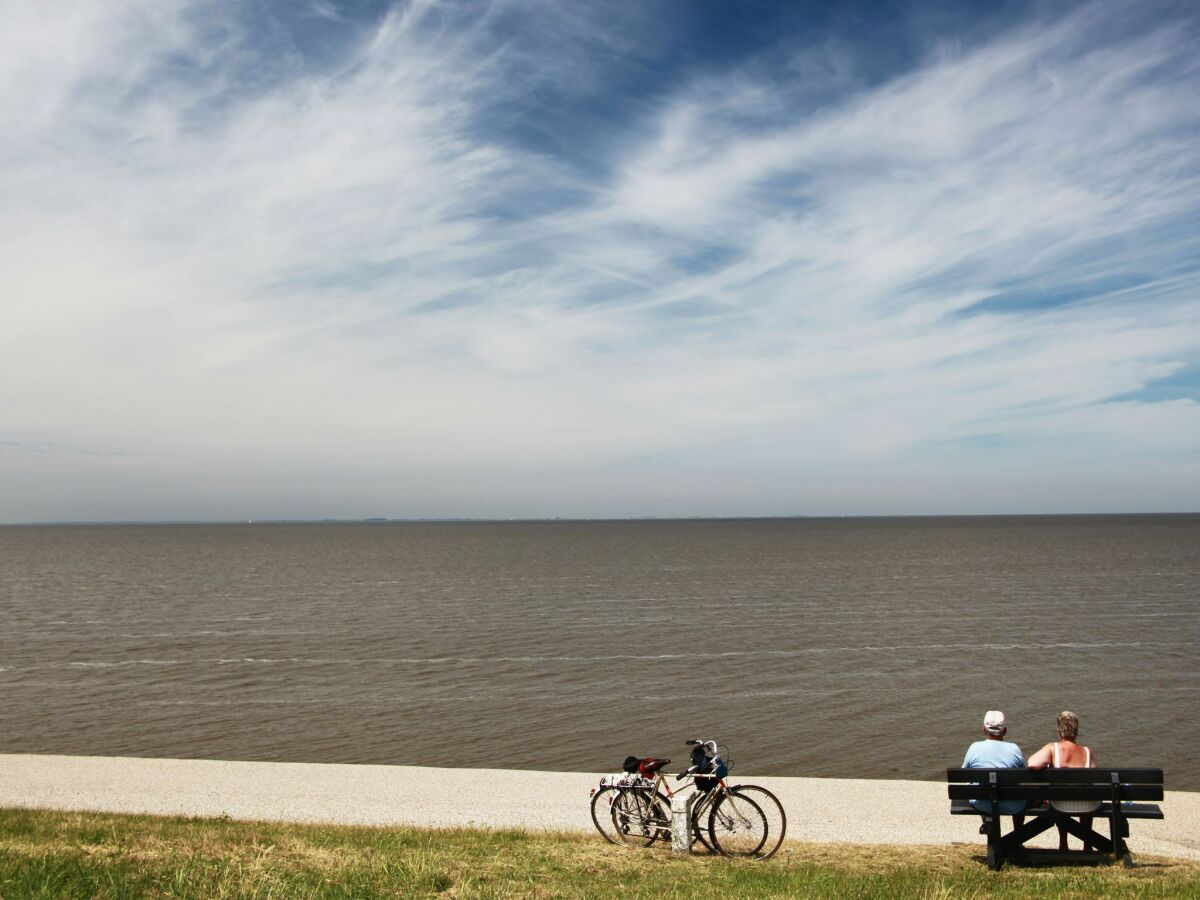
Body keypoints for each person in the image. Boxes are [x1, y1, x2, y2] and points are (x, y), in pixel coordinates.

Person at [1028, 710, 1099, 851]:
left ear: (1059, 729)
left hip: (1060, 804)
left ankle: (1063, 844)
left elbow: (1032, 763)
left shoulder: (1053, 748)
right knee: (1085, 794)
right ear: (1076, 730)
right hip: (1086, 805)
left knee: (1061, 794)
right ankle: (1088, 844)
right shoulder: (1087, 752)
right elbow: (1094, 776)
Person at [963, 710, 1026, 831]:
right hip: (1012, 805)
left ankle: (988, 823)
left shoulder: (974, 747)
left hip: (982, 803)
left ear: (984, 730)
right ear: (1005, 731)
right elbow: (1023, 775)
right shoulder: (1014, 749)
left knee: (979, 786)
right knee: (1019, 789)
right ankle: (1017, 836)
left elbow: (965, 774)